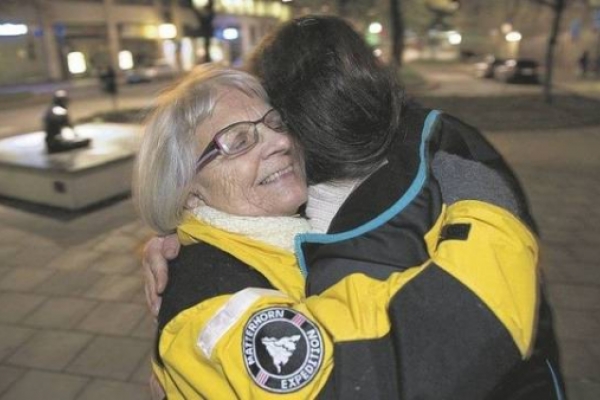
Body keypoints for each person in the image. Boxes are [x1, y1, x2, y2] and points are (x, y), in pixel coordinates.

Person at [143, 16, 565, 399]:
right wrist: (490, 209)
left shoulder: (283, 236)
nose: (280, 142)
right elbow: (358, 379)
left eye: (276, 122)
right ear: (189, 191)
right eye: (237, 141)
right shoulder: (209, 296)